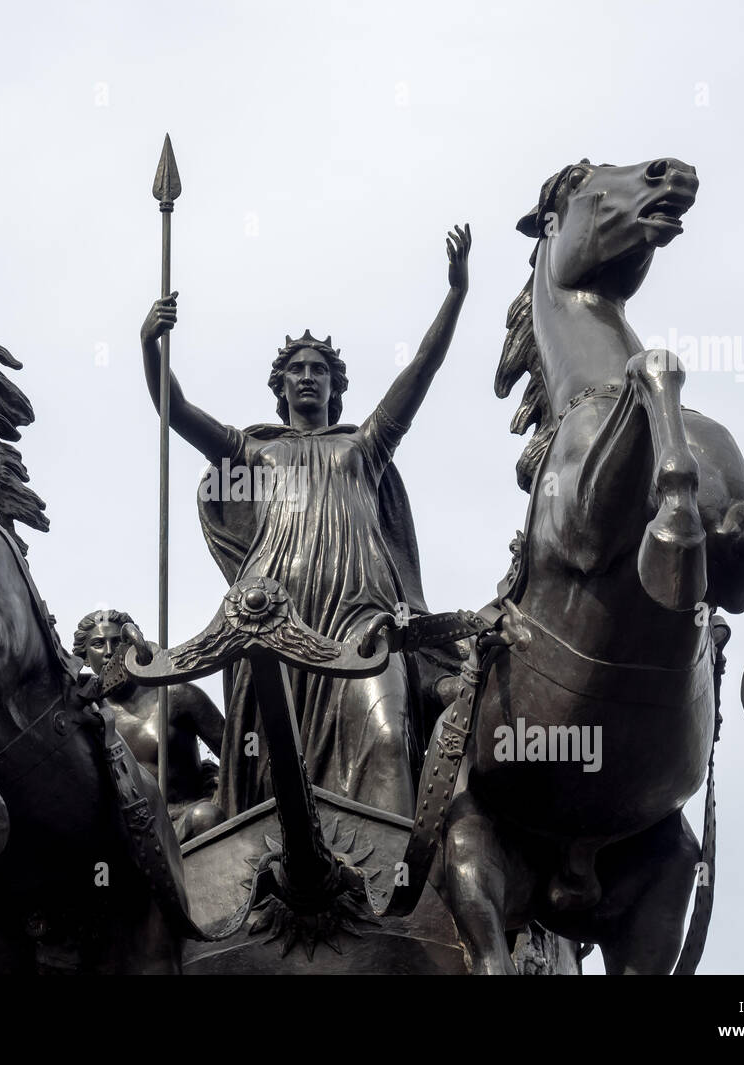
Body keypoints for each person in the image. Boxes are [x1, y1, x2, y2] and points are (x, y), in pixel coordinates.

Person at [140, 224, 472, 818]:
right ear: (281, 385)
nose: (307, 376)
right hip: (273, 612)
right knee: (271, 760)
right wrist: (149, 346)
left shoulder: (364, 446)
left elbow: (421, 371)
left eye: (319, 369)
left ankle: (394, 878)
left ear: (334, 387)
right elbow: (176, 410)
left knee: (388, 736)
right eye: (297, 369)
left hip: (359, 611)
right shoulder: (254, 449)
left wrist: (455, 295)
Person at [73, 608, 226, 842]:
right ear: (84, 657)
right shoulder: (86, 721)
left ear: (131, 646)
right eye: (98, 644)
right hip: (133, 838)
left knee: (205, 817)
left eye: (116, 642)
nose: (109, 651)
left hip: (189, 819)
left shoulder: (175, 696)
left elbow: (238, 757)